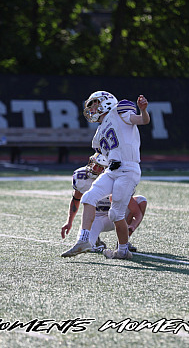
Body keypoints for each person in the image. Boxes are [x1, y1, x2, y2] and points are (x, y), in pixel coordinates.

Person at [61, 91, 150, 259]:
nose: (92, 109)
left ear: (106, 102)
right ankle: (84, 240)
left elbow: (142, 120)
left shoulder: (120, 111)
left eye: (94, 104)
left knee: (116, 214)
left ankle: (123, 250)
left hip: (128, 168)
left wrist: (143, 110)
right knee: (89, 197)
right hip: (112, 170)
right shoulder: (98, 133)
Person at [61, 153, 148, 254]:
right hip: (96, 217)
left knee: (141, 200)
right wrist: (69, 222)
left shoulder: (117, 179)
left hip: (116, 216)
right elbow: (76, 199)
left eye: (99, 166)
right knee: (86, 245)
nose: (94, 168)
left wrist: (132, 226)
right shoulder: (82, 177)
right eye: (94, 163)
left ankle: (123, 242)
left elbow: (136, 211)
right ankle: (96, 240)